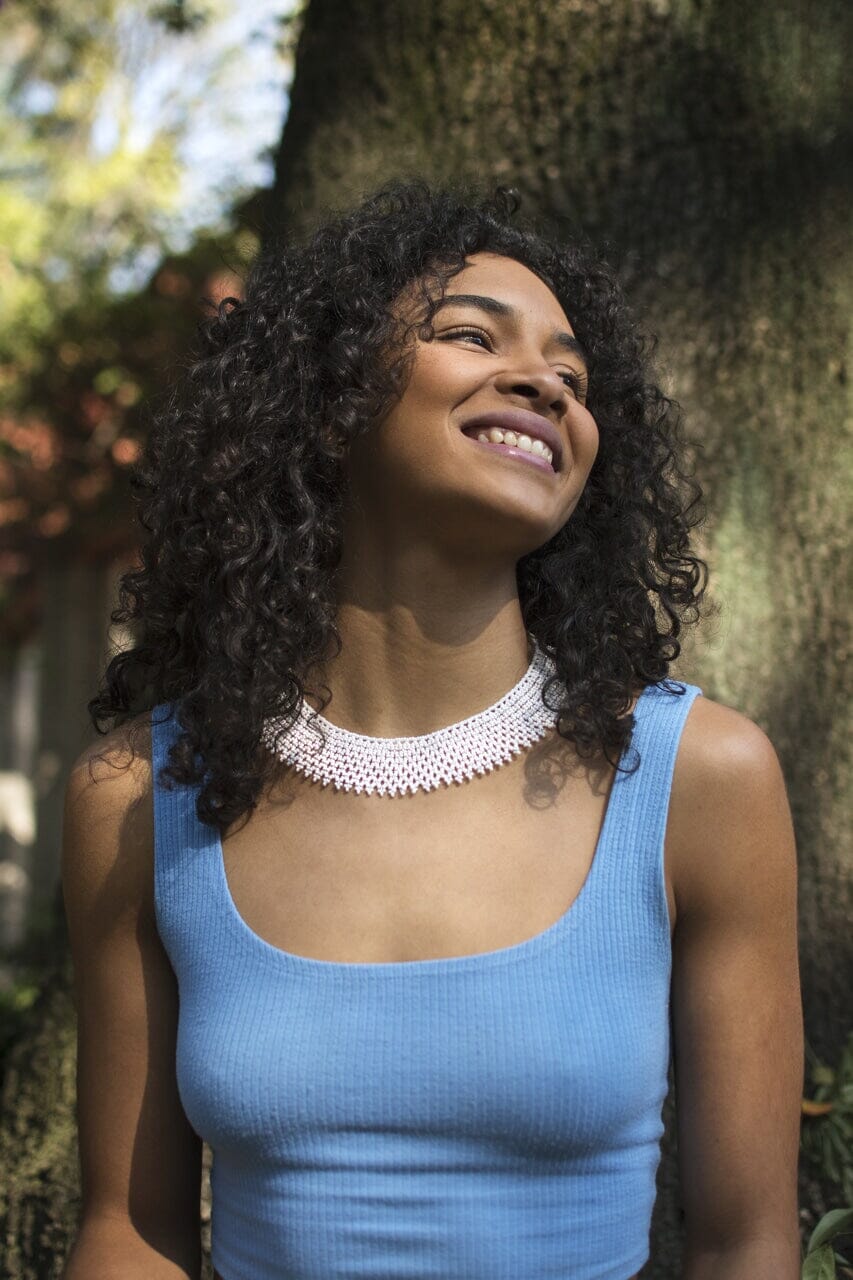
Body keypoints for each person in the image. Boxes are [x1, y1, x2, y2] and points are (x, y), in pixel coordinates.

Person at [61, 179, 803, 1280]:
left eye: (573, 375)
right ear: (327, 397)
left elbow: (744, 1244)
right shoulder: (139, 792)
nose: (546, 383)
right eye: (470, 334)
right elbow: (130, 1229)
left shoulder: (696, 777)